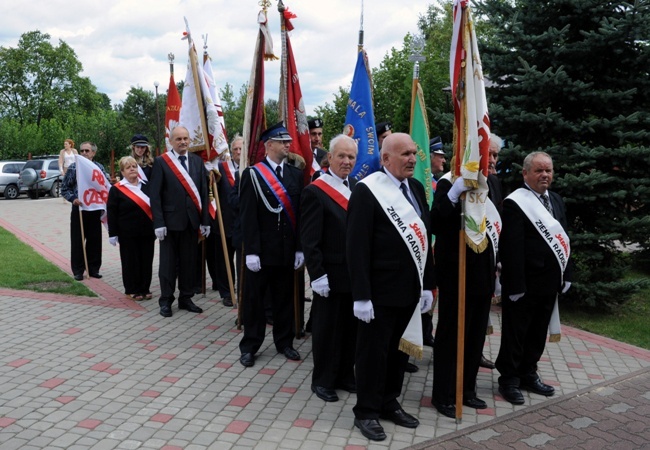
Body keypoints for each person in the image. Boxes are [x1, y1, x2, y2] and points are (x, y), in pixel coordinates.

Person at [347, 132, 435, 441]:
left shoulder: (416, 189)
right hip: (379, 292)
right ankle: (367, 411)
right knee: (373, 354)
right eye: (405, 154)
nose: (412, 158)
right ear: (385, 159)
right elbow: (356, 247)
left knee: (400, 351)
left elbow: (425, 241)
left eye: (413, 153)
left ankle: (388, 402)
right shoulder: (367, 191)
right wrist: (361, 295)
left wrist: (428, 285)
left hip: (409, 290)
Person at [496, 151, 573, 405]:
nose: (545, 175)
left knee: (538, 332)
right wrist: (515, 284)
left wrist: (567, 273)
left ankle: (528, 373)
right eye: (539, 170)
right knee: (516, 334)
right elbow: (511, 247)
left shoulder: (557, 200)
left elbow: (564, 241)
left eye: (548, 170)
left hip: (549, 282)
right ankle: (509, 379)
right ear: (525, 173)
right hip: (524, 284)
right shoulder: (515, 203)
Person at [430, 169, 498, 418]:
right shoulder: (449, 183)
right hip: (456, 273)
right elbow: (435, 222)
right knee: (451, 336)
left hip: (483, 273)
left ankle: (467, 389)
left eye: (492, 156)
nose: (490, 161)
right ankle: (444, 394)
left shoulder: (491, 182)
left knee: (475, 336)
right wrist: (454, 194)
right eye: (486, 155)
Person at [238, 123, 304, 368]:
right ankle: (250, 346)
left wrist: (299, 248)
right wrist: (252, 251)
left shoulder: (296, 175)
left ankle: (284, 342)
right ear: (269, 144)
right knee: (255, 302)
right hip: (262, 252)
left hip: (286, 251)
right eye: (282, 141)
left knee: (284, 299)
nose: (288, 145)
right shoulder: (253, 174)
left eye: (288, 141)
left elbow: (300, 215)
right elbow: (248, 216)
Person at [301, 134, 358, 403]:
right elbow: (310, 239)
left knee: (350, 329)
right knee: (327, 331)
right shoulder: (316, 191)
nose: (347, 161)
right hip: (329, 275)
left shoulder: (358, 187)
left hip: (354, 274)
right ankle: (322, 380)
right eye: (342, 156)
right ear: (330, 158)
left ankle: (346, 375)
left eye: (351, 157)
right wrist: (317, 275)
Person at [149, 126, 211, 318]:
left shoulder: (196, 161)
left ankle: (186, 297)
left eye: (185, 138)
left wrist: (205, 221)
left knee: (188, 263)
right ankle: (166, 300)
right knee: (167, 265)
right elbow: (155, 195)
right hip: (169, 223)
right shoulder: (161, 162)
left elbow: (202, 192)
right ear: (171, 141)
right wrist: (158, 223)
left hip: (191, 222)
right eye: (179, 139)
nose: (183, 142)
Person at [107, 156, 155, 300]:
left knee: (146, 260)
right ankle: (131, 289)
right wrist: (113, 233)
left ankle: (145, 288)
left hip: (147, 232)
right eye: (128, 167)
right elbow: (112, 213)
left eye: (134, 166)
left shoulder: (146, 186)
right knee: (130, 261)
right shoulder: (116, 190)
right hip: (127, 233)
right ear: (122, 171)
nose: (132, 169)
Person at [61, 142, 106, 281]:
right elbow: (64, 188)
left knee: (94, 240)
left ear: (93, 152)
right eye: (82, 151)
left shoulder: (99, 168)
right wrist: (73, 198)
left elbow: (104, 185)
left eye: (87, 150)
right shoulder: (74, 168)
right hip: (79, 209)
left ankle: (93, 269)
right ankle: (78, 270)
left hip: (94, 208)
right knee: (78, 240)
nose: (84, 153)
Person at [214, 135, 243, 307]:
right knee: (224, 260)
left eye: (241, 149)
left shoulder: (250, 168)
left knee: (241, 261)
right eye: (235, 150)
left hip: (242, 223)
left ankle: (242, 290)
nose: (238, 152)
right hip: (224, 221)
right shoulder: (220, 169)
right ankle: (227, 292)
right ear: (230, 152)